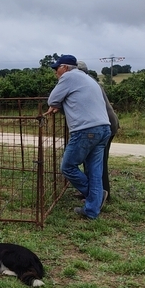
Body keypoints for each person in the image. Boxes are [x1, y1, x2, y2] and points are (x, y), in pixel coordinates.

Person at [46, 54, 111, 220]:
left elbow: (52, 99)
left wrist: (57, 105)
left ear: (65, 67)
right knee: (95, 171)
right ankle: (91, 210)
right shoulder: (87, 78)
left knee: (67, 167)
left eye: (57, 68)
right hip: (103, 127)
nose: (56, 72)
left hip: (86, 130)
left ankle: (94, 198)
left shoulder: (69, 76)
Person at [76, 61, 119, 200]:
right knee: (90, 160)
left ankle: (103, 194)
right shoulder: (90, 82)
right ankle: (91, 192)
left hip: (104, 125)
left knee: (98, 162)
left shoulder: (85, 84)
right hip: (105, 123)